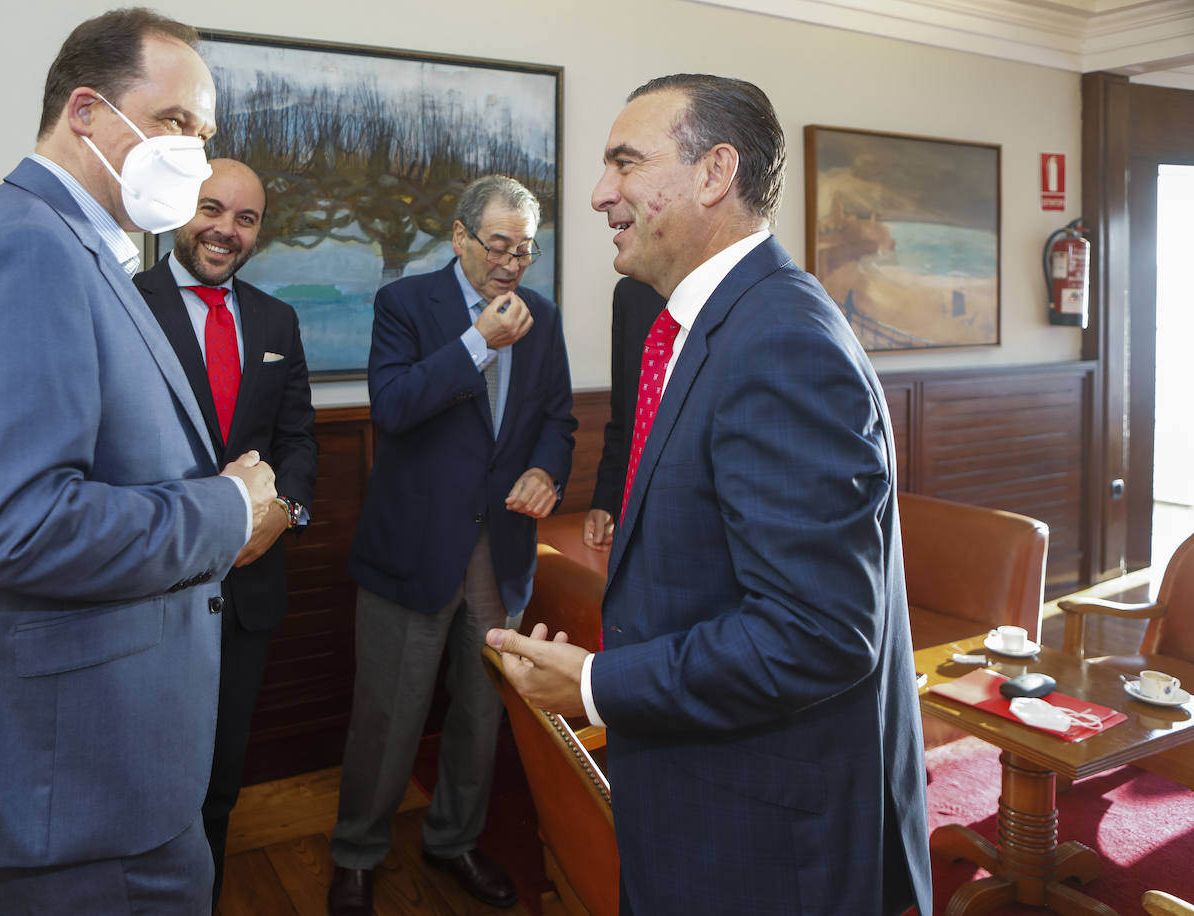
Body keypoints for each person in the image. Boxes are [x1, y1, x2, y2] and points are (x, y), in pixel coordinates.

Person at [0, 10, 277, 913]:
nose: (195, 160)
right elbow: (15, 528)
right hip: (86, 781)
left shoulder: (77, 247)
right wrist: (227, 511)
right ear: (86, 111)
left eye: (204, 137)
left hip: (108, 761)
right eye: (175, 126)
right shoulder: (24, 246)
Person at [487, 74, 933, 915]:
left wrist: (593, 685)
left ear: (713, 173)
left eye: (624, 163)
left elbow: (818, 634)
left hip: (763, 839)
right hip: (707, 796)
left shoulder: (783, 343)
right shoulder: (710, 324)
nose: (598, 194)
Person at [330, 175, 576, 915]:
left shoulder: (546, 317)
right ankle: (356, 855)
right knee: (387, 715)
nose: (511, 263)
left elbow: (558, 420)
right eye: (498, 245)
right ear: (461, 237)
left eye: (525, 249)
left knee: (481, 714)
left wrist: (546, 470)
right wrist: (478, 343)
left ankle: (454, 840)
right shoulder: (405, 304)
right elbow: (394, 406)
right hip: (412, 549)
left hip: (501, 552)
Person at [133, 158, 318, 908]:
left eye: (245, 219)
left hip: (247, 591)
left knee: (219, 775)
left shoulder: (277, 320)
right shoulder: (125, 303)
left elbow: (299, 440)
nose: (225, 231)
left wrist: (285, 515)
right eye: (212, 209)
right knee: (143, 774)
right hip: (147, 590)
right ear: (182, 209)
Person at [582, 277, 666, 553]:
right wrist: (605, 498)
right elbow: (624, 409)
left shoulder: (733, 292)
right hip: (631, 512)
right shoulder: (632, 292)